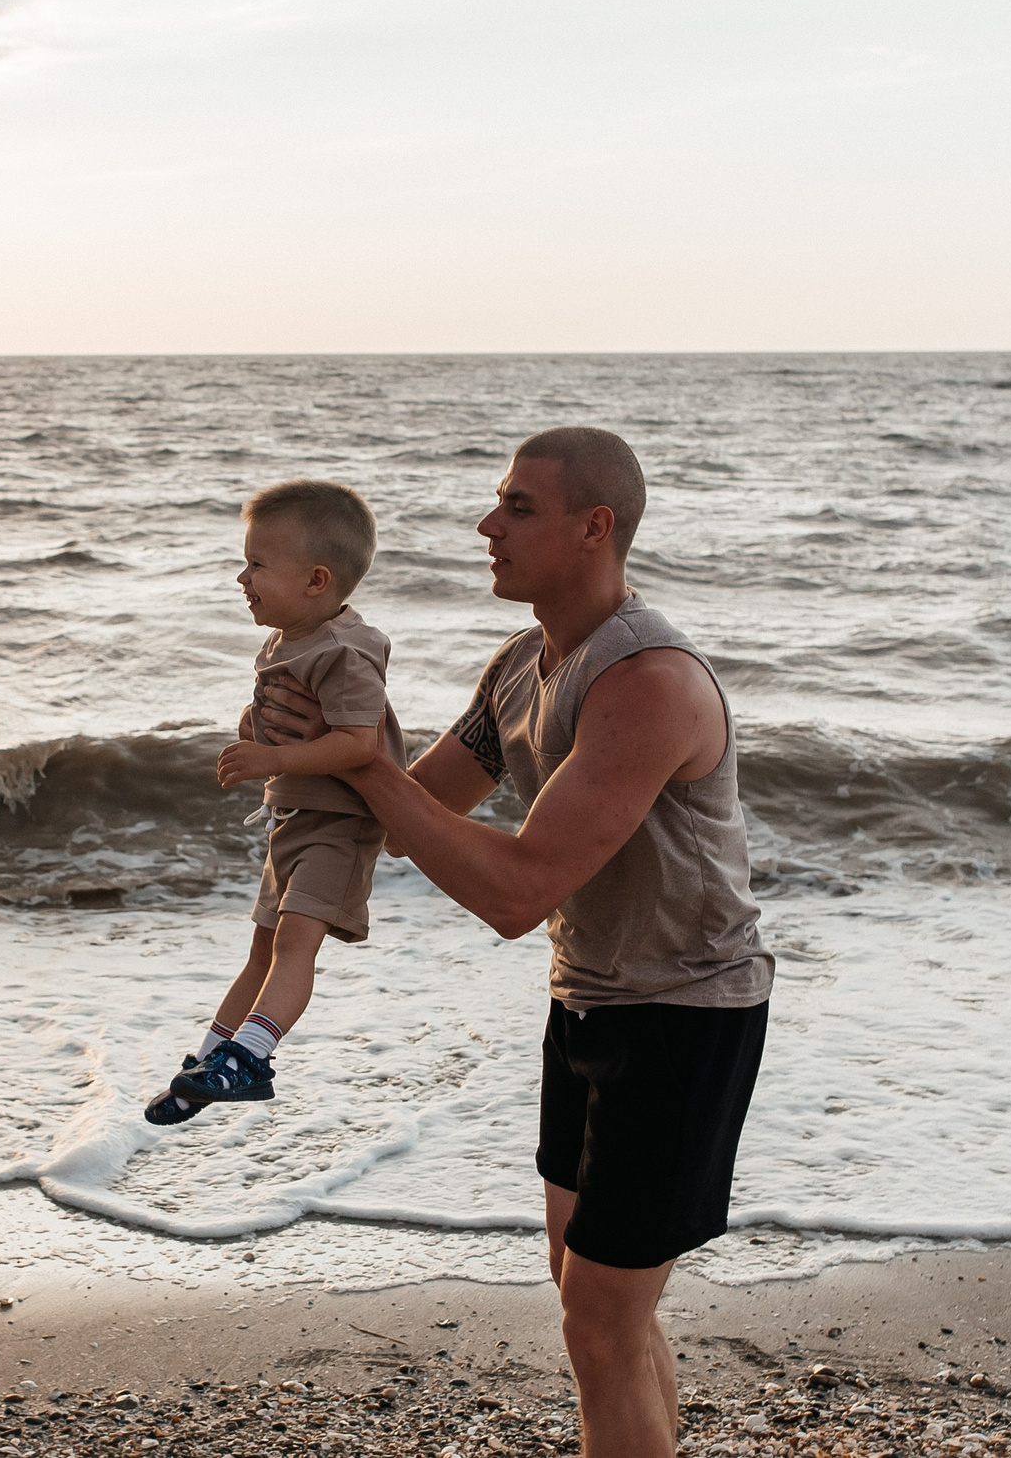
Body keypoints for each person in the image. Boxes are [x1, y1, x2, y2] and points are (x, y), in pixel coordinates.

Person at [261, 428, 770, 1458]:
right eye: (497, 501)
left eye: (518, 507)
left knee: (600, 1318)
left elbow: (517, 889)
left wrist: (361, 764)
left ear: (594, 527)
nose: (486, 524)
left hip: (684, 1014)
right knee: (589, 1294)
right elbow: (418, 808)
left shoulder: (647, 680)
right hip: (586, 999)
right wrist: (329, 713)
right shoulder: (519, 667)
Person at [144, 478, 403, 1125]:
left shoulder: (346, 650)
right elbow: (289, 719)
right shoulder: (292, 639)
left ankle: (252, 1058)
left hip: (338, 826)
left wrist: (274, 759)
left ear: (316, 580)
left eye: (257, 564)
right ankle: (208, 1067)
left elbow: (360, 743)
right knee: (260, 951)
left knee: (292, 946)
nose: (243, 577)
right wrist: (254, 726)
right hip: (293, 822)